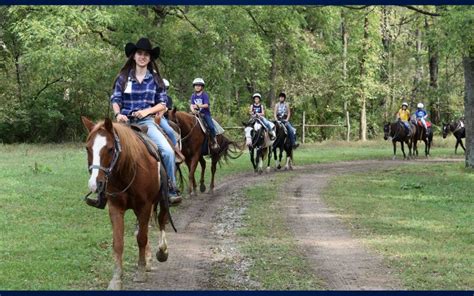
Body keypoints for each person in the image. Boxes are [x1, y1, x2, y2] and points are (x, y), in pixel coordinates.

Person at [110, 37, 181, 203]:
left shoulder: (156, 79)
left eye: (146, 55)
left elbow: (162, 104)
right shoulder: (123, 77)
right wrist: (118, 114)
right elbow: (115, 99)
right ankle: (102, 190)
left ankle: (171, 187)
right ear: (134, 56)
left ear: (150, 58)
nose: (142, 57)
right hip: (124, 123)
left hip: (146, 123)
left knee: (168, 151)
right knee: (105, 149)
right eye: (139, 53)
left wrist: (147, 111)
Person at [157, 78, 185, 163]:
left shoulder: (168, 98)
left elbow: (167, 109)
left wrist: (160, 112)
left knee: (169, 130)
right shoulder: (153, 95)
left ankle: (176, 151)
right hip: (150, 116)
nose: (162, 89)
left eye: (164, 88)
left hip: (163, 117)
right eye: (160, 87)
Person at [189, 78, 219, 150]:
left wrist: (198, 106)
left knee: (211, 127)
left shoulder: (204, 95)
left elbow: (206, 105)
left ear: (202, 87)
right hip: (196, 114)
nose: (197, 87)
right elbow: (191, 105)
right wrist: (193, 110)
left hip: (205, 114)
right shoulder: (193, 96)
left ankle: (214, 140)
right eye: (196, 85)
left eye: (199, 85)